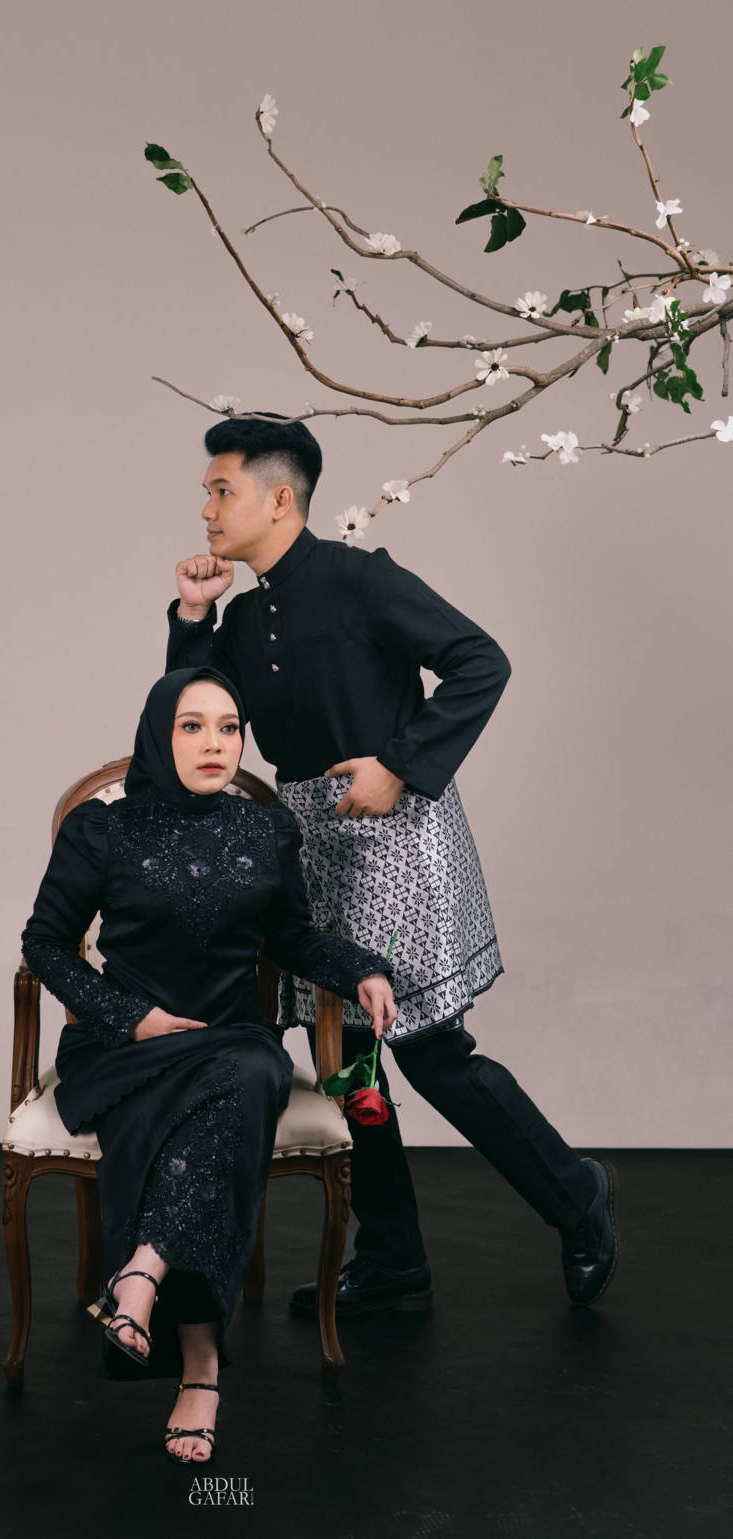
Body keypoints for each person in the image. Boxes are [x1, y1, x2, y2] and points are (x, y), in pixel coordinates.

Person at [165, 413, 618, 1319]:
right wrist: (192, 616)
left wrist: (400, 765)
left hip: (397, 833)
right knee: (345, 1059)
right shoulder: (245, 616)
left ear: (280, 498)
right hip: (307, 846)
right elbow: (186, 712)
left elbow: (481, 661)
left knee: (431, 1051)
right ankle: (393, 1260)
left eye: (221, 490)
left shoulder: (362, 579)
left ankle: (579, 1199)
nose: (205, 509)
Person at [20, 666, 398, 1464]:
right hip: (128, 1046)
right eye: (192, 725)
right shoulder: (103, 829)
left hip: (232, 1039)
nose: (214, 743)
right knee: (234, 1100)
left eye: (229, 727)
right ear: (159, 735)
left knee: (248, 1075)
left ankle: (143, 1271)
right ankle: (200, 1366)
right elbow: (45, 944)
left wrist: (362, 968)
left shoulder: (266, 830)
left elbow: (291, 937)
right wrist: (135, 1018)